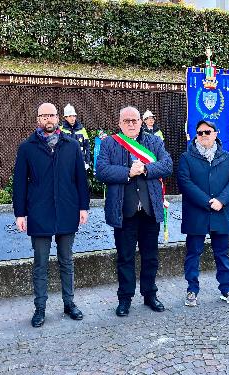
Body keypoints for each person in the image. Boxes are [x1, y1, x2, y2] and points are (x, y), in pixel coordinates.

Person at [13, 102, 90, 327]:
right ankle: (40, 308)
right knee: (41, 264)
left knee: (67, 261)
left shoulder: (72, 145)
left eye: (52, 115)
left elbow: (80, 180)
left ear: (58, 118)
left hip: (67, 210)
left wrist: (83, 207)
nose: (48, 119)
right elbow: (20, 183)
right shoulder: (27, 147)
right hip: (39, 212)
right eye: (44, 115)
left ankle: (69, 303)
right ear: (38, 119)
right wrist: (20, 213)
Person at [96, 106, 172, 317]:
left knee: (151, 257)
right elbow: (101, 170)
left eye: (135, 120)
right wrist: (127, 172)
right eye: (127, 120)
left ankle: (150, 294)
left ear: (141, 122)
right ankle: (125, 298)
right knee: (125, 258)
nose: (131, 123)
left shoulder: (154, 142)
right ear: (120, 123)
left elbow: (167, 165)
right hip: (124, 212)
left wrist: (146, 169)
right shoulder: (109, 143)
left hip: (149, 211)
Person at [177, 120, 229, 307]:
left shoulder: (226, 157)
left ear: (215, 134)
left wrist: (221, 200)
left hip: (220, 212)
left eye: (207, 132)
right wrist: (207, 202)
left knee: (222, 253)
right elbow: (185, 182)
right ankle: (192, 290)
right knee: (193, 253)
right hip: (197, 213)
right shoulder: (186, 157)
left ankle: (226, 289)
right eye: (199, 132)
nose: (203, 135)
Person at [61, 104, 91, 170]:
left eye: (74, 116)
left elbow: (87, 147)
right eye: (70, 116)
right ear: (65, 117)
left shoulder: (82, 130)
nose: (72, 118)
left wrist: (87, 162)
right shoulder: (60, 130)